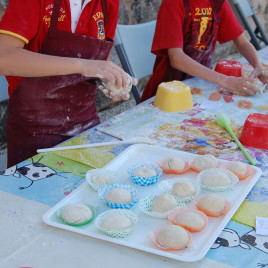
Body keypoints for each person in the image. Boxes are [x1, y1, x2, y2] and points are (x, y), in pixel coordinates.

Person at [0, 0, 135, 167]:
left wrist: (110, 78)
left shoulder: (108, 3)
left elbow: (101, 57)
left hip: (86, 124)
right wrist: (83, 65)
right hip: (34, 130)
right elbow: (4, 58)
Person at [140, 0, 268, 102]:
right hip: (168, 89)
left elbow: (241, 41)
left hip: (201, 83)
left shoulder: (217, 3)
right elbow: (176, 58)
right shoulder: (174, 3)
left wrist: (258, 66)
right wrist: (225, 80)